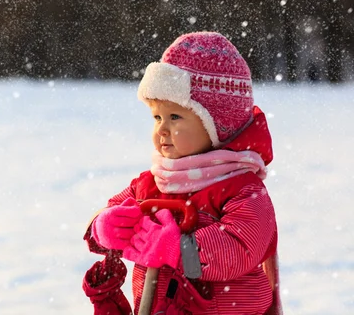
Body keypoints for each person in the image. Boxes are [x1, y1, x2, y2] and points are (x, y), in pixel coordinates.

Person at [82, 32, 281, 315]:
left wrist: (178, 249)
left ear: (218, 124)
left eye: (175, 117)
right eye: (157, 117)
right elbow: (111, 212)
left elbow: (242, 246)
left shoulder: (242, 189)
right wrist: (105, 227)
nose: (162, 129)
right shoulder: (152, 183)